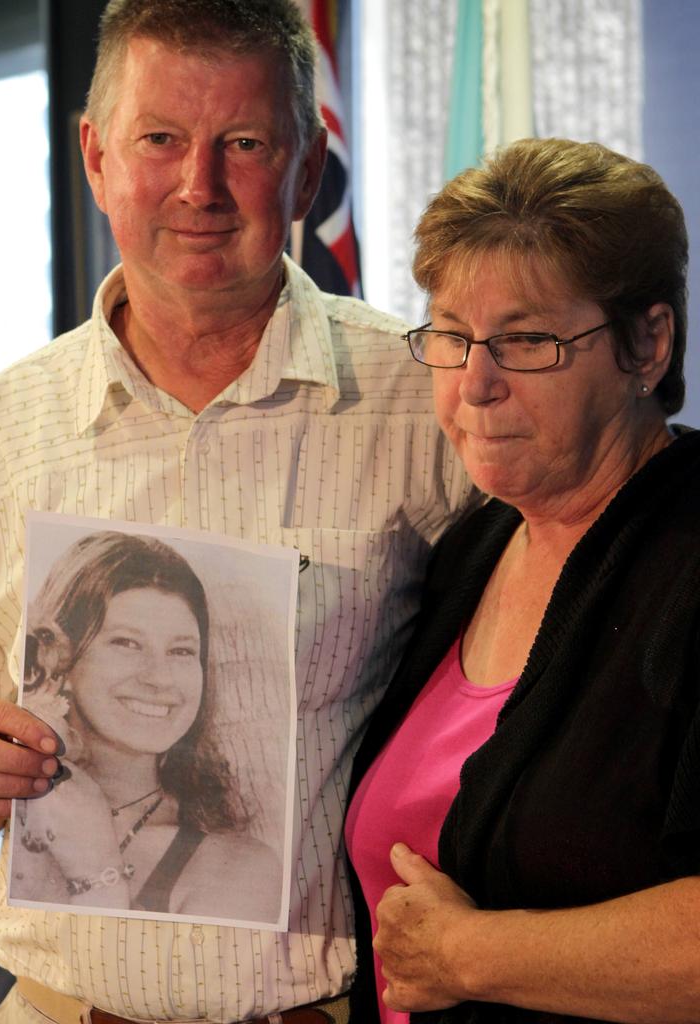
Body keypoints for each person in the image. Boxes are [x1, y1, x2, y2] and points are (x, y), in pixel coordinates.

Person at [0, 1, 472, 1022]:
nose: (200, 186)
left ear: (309, 170)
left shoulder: (427, 404)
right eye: (160, 140)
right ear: (95, 157)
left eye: (245, 144)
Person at [346, 136, 700, 1024]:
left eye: (527, 340)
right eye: (454, 338)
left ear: (647, 345)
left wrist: (472, 955)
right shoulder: (472, 546)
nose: (476, 384)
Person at [12, 529, 281, 923]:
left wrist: (98, 877)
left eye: (181, 650)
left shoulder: (239, 868)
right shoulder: (15, 803)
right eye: (127, 643)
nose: (160, 678)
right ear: (59, 660)